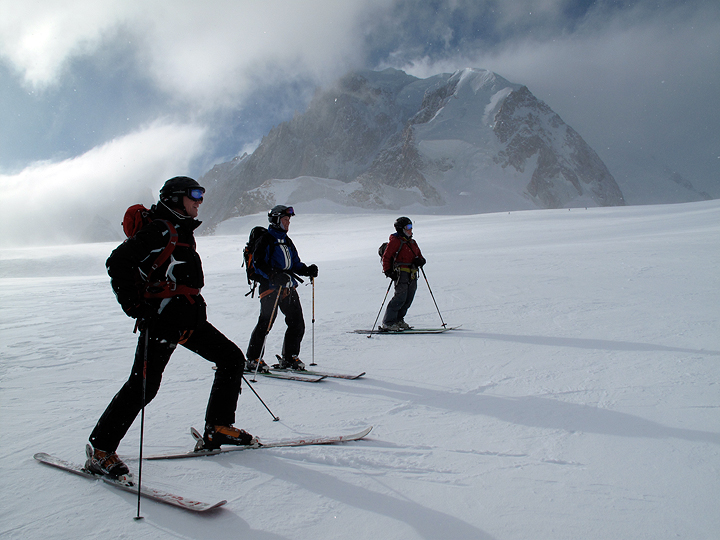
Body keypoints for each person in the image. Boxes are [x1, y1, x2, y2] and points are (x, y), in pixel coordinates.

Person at [86, 176, 252, 482]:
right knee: (143, 386)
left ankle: (217, 428)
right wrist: (136, 308)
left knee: (231, 359)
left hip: (188, 322)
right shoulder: (161, 229)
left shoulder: (181, 231)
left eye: (201, 195)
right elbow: (118, 262)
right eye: (194, 195)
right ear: (175, 198)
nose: (200, 201)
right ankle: (100, 450)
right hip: (162, 322)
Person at [245, 205, 318, 373]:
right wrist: (273, 275)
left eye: (288, 220)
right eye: (285, 220)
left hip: (288, 287)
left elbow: (294, 263)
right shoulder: (266, 239)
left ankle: (290, 357)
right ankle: (253, 359)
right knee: (265, 323)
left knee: (297, 323)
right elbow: (258, 264)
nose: (288, 223)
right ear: (276, 220)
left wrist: (307, 270)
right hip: (270, 288)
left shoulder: (286, 241)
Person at [380, 216, 426, 332]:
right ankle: (388, 322)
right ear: (401, 228)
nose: (410, 229)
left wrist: (421, 261)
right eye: (408, 227)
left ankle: (399, 319)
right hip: (401, 274)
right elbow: (386, 257)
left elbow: (419, 256)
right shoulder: (395, 241)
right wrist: (388, 271)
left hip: (412, 274)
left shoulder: (412, 242)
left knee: (409, 298)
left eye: (411, 226)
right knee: (400, 297)